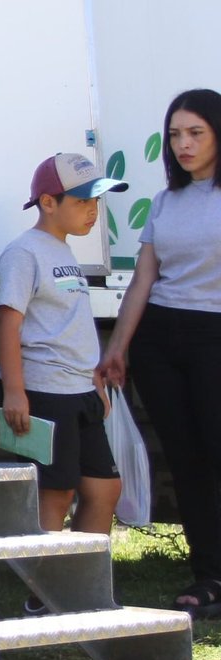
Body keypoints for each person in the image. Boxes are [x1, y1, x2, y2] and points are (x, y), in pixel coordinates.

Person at [98, 89, 221, 619]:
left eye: (195, 133)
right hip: (160, 339)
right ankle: (209, 575)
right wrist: (118, 347)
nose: (183, 144)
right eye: (175, 135)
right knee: (186, 461)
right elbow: (144, 280)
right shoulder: (166, 201)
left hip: (214, 335)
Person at [0, 152, 127, 595]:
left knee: (105, 488)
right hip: (44, 390)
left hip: (80, 390)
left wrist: (93, 380)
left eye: (96, 201)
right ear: (48, 202)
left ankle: (81, 589)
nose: (92, 210)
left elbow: (71, 324)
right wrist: (14, 391)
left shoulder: (65, 251)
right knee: (55, 493)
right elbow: (8, 322)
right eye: (83, 201)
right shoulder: (23, 252)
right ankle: (43, 596)